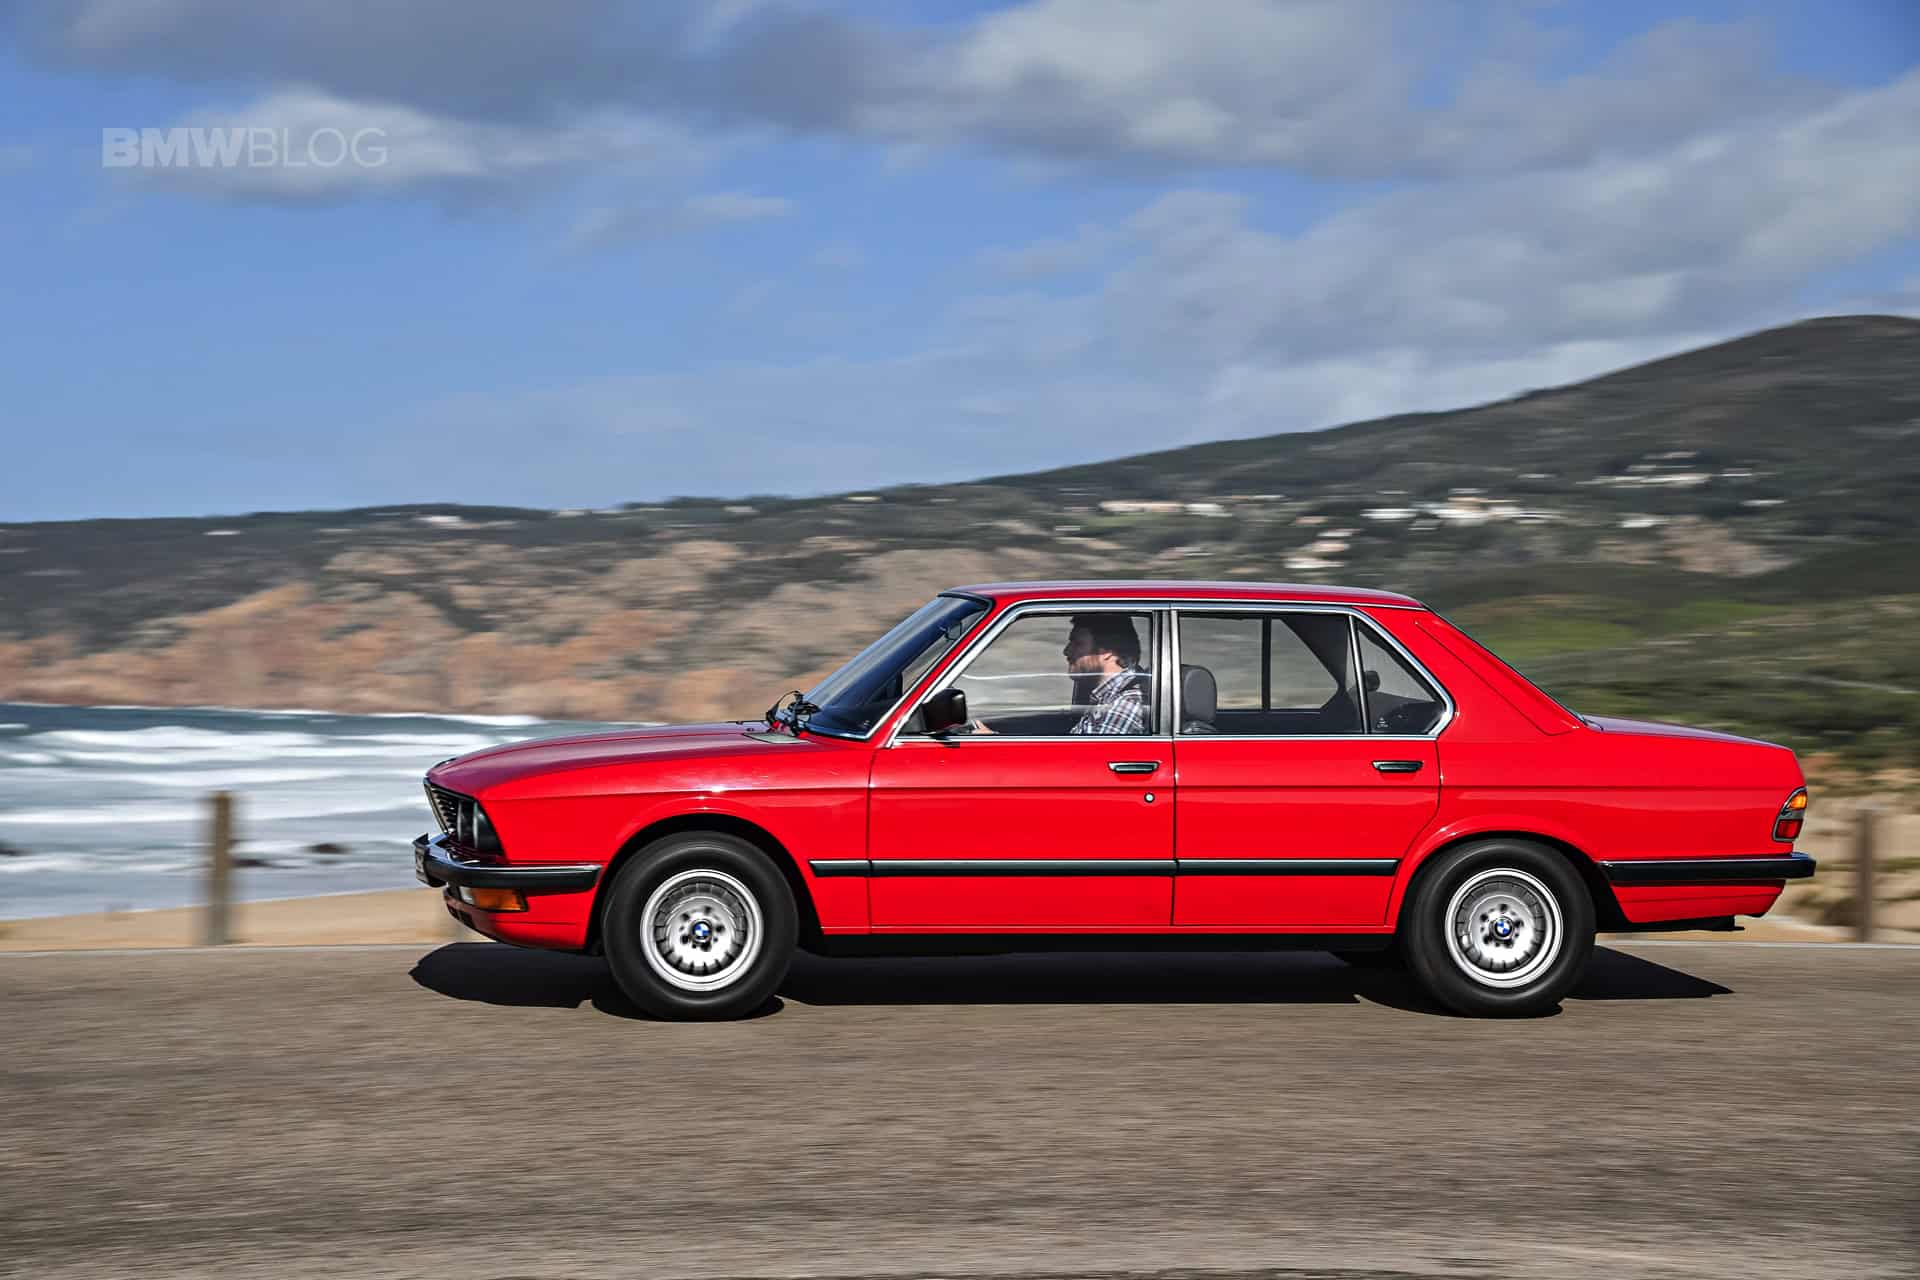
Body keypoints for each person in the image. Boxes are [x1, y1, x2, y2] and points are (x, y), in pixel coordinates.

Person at [972, 614, 1149, 735]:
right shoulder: (1106, 699)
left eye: (1077, 643)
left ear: (1108, 652)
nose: (1066, 651)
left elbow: (1090, 769)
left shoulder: (1123, 706)